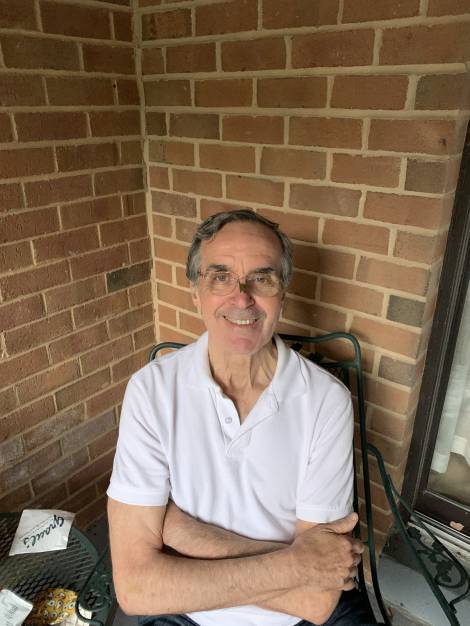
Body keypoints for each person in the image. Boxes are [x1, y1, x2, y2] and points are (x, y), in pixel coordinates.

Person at [107, 209, 379, 626]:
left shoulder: (326, 400)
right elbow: (137, 589)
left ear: (283, 293)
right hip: (187, 617)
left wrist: (180, 533)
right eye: (220, 277)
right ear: (195, 291)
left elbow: (316, 601)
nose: (241, 297)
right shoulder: (152, 390)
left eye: (262, 279)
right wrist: (299, 563)